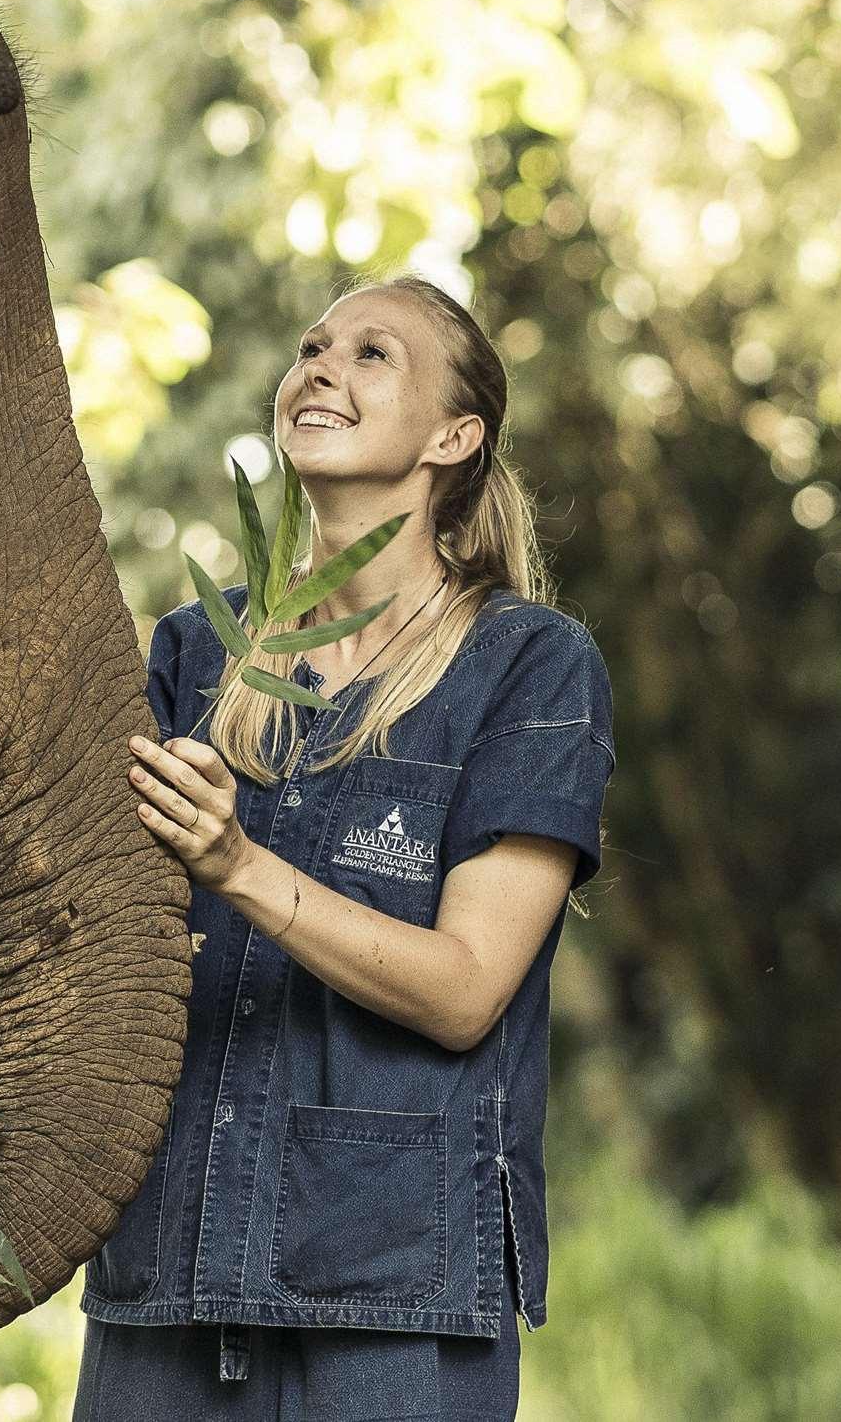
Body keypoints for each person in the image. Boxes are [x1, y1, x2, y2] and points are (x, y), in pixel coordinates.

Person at [75, 273, 614, 1422]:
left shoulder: (529, 667)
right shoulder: (193, 653)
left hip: (395, 1310)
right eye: (313, 344)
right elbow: (103, 944)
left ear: (454, 435)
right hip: (167, 1281)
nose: (320, 365)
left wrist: (240, 867)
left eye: (373, 353)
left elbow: (467, 990)